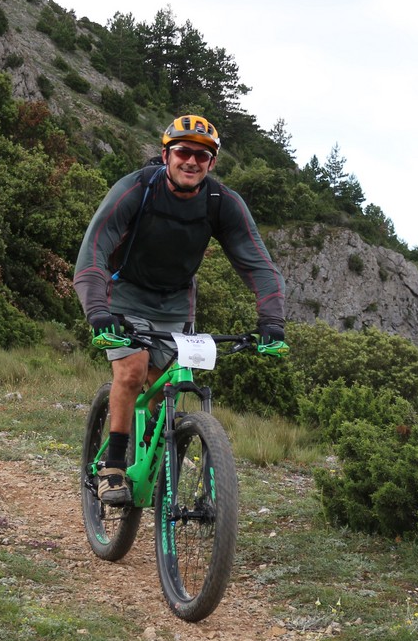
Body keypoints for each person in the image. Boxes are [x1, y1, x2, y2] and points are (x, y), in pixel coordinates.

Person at [73, 114, 287, 505]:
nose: (191, 161)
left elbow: (258, 263)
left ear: (212, 163)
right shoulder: (137, 188)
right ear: (166, 155)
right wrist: (98, 312)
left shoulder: (221, 202)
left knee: (165, 384)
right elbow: (95, 250)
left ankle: (152, 460)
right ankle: (114, 465)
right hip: (125, 292)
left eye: (201, 156)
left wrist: (272, 322)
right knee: (133, 370)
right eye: (183, 152)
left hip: (176, 302)